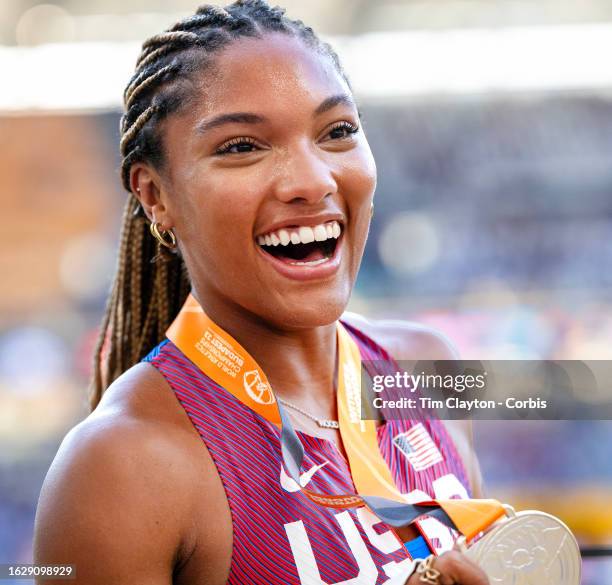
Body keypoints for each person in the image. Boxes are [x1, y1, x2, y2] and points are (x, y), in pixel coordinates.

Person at [33, 2, 489, 584]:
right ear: (155, 196)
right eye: (242, 146)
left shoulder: (427, 365)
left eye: (338, 131)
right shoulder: (121, 467)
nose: (312, 180)